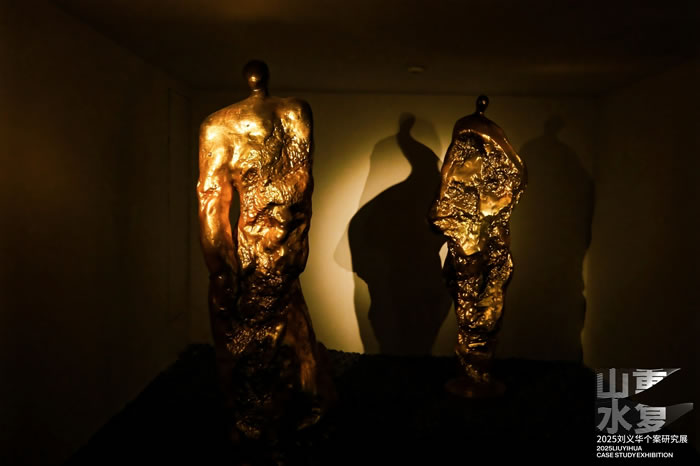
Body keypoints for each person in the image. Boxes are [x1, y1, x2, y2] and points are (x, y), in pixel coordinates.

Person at [197, 60, 334, 441]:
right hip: (267, 248)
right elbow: (212, 202)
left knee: (266, 334)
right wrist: (223, 269)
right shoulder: (230, 125)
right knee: (266, 332)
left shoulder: (227, 125)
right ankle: (285, 405)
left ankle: (273, 413)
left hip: (271, 250)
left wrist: (222, 271)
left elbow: (211, 200)